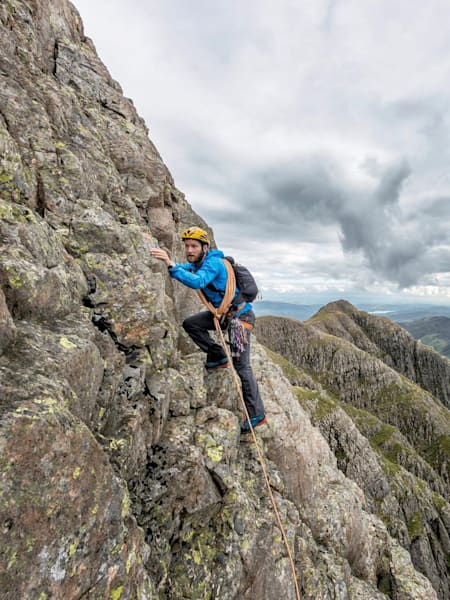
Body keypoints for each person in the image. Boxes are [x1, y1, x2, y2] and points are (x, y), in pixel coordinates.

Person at [150, 226, 266, 433]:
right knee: (191, 324)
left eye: (194, 246)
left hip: (239, 319)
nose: (189, 250)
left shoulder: (212, 263)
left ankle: (257, 414)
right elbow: (187, 269)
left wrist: (170, 264)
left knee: (242, 367)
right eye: (187, 246)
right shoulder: (200, 263)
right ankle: (218, 355)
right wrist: (172, 263)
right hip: (224, 316)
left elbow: (198, 281)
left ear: (205, 247)